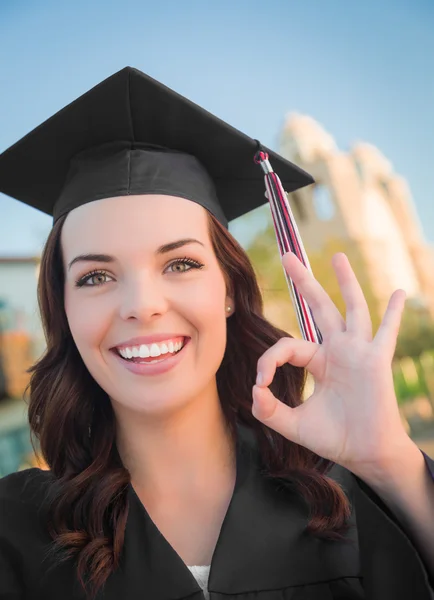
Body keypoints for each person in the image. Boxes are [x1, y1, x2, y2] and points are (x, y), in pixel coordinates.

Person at [0, 66, 433, 600]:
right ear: (62, 309)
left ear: (228, 288)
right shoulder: (14, 533)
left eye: (180, 264)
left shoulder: (342, 495)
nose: (142, 306)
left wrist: (389, 460)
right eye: (96, 276)